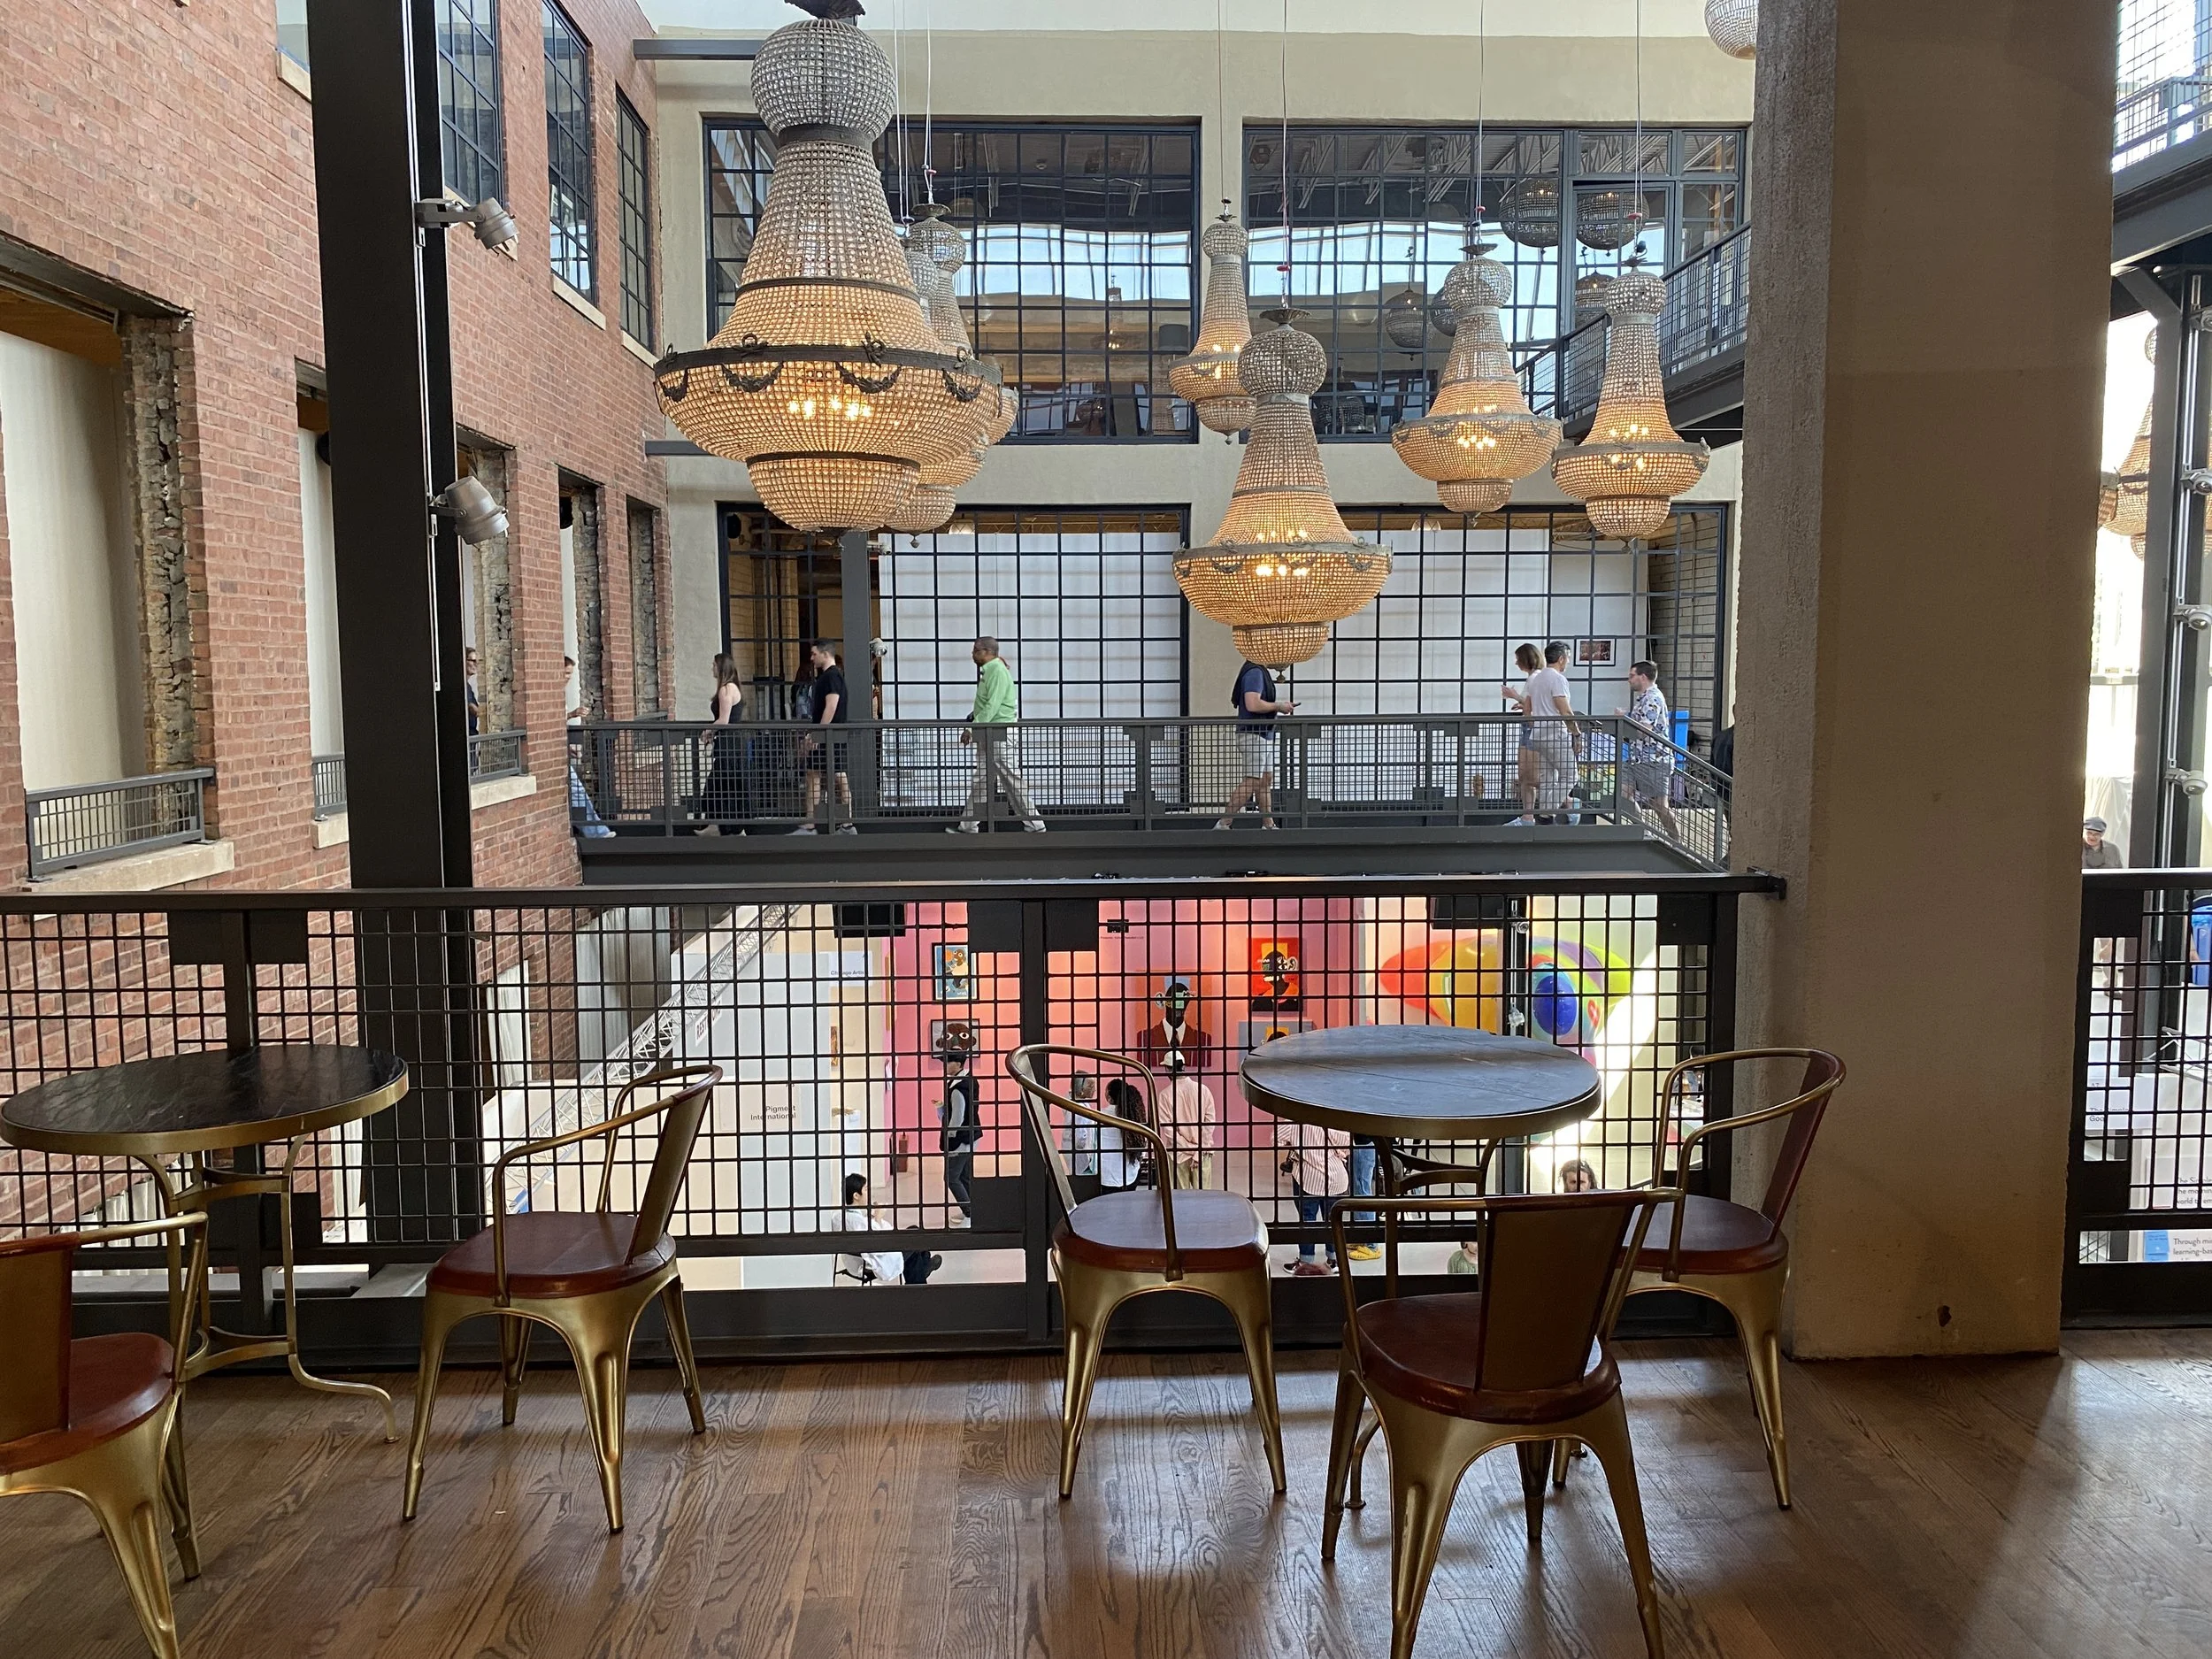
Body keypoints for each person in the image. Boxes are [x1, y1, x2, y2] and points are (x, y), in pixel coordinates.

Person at [949, 636, 1044, 833]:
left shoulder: (997, 671)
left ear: (986, 652)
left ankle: (1035, 825)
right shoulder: (994, 670)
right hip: (991, 733)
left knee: (1009, 780)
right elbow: (989, 704)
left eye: (976, 650)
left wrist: (971, 728)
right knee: (983, 780)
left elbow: (992, 705)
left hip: (998, 733)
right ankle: (968, 825)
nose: (972, 654)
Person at [1218, 657, 1294, 830]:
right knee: (1252, 780)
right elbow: (1252, 703)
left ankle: (1268, 824)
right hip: (1254, 734)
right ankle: (1225, 822)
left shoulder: (1257, 671)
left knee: (1265, 779)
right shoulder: (1255, 672)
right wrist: (1279, 706)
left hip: (1263, 733)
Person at [1509, 641, 1579, 823]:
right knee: (1571, 775)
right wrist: (1577, 734)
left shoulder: (1537, 678)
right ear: (1561, 659)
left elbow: (1527, 710)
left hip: (1538, 735)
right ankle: (1548, 811)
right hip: (1555, 734)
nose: (1568, 663)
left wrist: (1535, 725)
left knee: (1548, 777)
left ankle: (1545, 814)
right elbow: (1565, 710)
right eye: (1568, 659)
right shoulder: (1557, 679)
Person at [1274, 1116, 1349, 1276]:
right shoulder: (1333, 1118)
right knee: (1333, 1219)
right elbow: (1346, 1143)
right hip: (1335, 1176)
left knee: (1307, 1219)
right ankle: (1334, 1259)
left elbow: (1276, 1138)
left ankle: (1305, 1261)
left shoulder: (1295, 1120)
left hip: (1308, 1177)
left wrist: (1294, 1143)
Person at [1615, 659, 1680, 837]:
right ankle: (1641, 829)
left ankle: (1676, 840)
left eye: (1632, 676)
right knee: (1622, 794)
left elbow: (1644, 730)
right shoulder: (1643, 699)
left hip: (1655, 759)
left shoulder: (1652, 699)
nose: (1629, 680)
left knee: (1658, 804)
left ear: (1642, 677)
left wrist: (1625, 718)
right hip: (1637, 758)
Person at [799, 639, 855, 833]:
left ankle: (812, 825)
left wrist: (817, 734)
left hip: (829, 737)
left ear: (825, 654)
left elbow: (831, 706)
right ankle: (840, 824)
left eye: (814, 654)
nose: (811, 658)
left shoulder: (831, 677)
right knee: (822, 776)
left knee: (827, 777)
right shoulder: (833, 677)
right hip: (830, 736)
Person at [564, 653, 615, 838]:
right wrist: (572, 714)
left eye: (570, 674)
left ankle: (597, 830)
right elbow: (548, 721)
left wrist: (565, 747)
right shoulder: (551, 694)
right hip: (552, 759)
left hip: (560, 753)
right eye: (565, 673)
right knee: (577, 792)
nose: (568, 678)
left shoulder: (558, 695)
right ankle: (597, 832)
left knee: (578, 793)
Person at [699, 653, 748, 834]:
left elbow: (724, 720)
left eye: (713, 665)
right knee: (726, 783)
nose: (711, 668)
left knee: (721, 782)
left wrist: (708, 731)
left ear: (720, 667)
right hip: (733, 743)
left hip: (729, 744)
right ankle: (720, 826)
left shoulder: (726, 689)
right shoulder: (733, 687)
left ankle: (722, 827)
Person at [834, 1173, 907, 1286]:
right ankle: (921, 1274)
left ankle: (923, 1268)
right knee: (914, 1247)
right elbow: (878, 1244)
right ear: (856, 1196)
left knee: (916, 1252)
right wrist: (878, 1217)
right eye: (866, 1189)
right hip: (868, 1262)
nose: (869, 1193)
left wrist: (870, 1218)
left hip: (853, 1259)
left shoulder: (839, 1216)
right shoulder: (859, 1222)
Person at [1502, 643, 1545, 819]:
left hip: (1533, 727)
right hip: (1528, 726)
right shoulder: (1533, 678)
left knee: (1531, 775)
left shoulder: (1536, 677)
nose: (1516, 663)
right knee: (1524, 775)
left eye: (1518, 659)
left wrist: (1515, 696)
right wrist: (1521, 702)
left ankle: (1566, 799)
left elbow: (1537, 703)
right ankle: (1527, 816)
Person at [938, 1049, 981, 1225]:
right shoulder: (969, 1080)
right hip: (971, 1136)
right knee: (964, 1176)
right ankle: (974, 1211)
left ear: (958, 1064)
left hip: (961, 1140)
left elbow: (958, 1117)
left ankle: (970, 1214)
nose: (945, 1066)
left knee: (952, 1177)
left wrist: (949, 1135)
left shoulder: (958, 1088)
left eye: (948, 1062)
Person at [1160, 1056, 1216, 1190]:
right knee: (1203, 1198)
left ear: (1168, 1070)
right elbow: (1209, 1124)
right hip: (1202, 1153)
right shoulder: (1203, 1090)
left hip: (1178, 1154)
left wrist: (1189, 1149)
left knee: (1181, 1200)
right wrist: (1198, 1150)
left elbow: (1169, 1131)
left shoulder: (1165, 1095)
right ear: (1184, 1067)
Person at [464, 645, 480, 738]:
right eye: (473, 661)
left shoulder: (468, 686)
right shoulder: (463, 686)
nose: (476, 664)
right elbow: (471, 707)